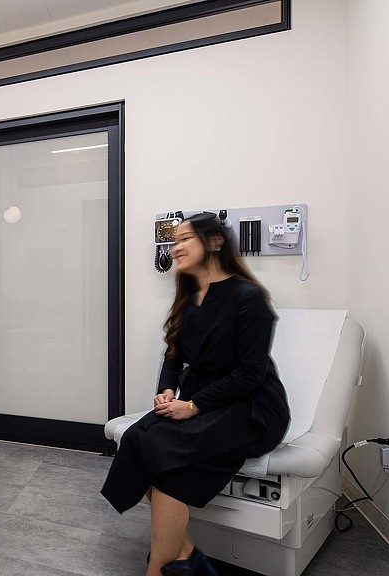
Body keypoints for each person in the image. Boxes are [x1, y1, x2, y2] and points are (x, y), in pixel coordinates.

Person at [100, 212, 291, 576]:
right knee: (137, 440)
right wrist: (167, 391)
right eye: (175, 241)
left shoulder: (249, 298)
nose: (176, 247)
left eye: (185, 239)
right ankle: (185, 555)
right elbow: (173, 356)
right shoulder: (189, 299)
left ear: (215, 242)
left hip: (251, 407)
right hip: (202, 401)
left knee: (167, 472)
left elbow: (251, 373)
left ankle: (157, 569)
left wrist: (194, 404)